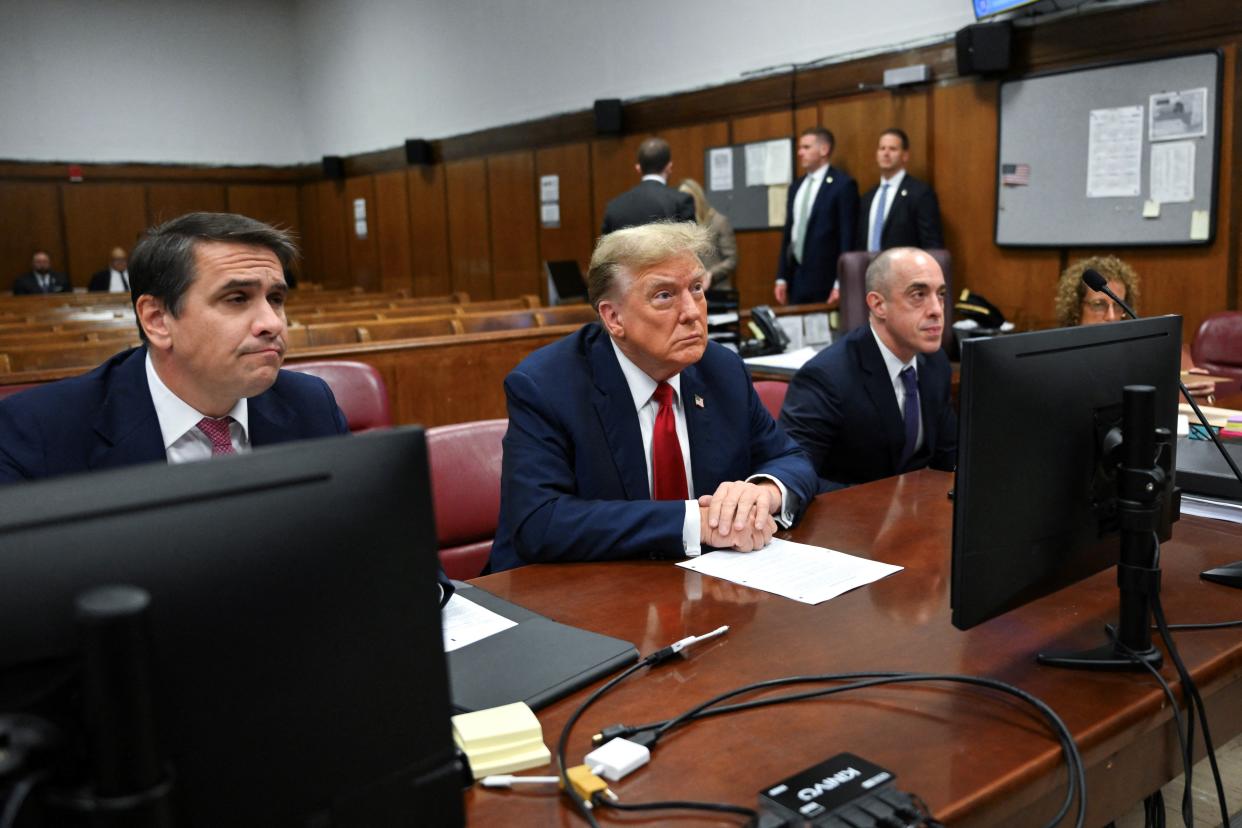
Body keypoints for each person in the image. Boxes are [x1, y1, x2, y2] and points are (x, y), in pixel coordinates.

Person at [488, 221, 818, 572]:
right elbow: (541, 522)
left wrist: (763, 492)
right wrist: (696, 522)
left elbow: (792, 458)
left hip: (705, 590)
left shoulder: (722, 370)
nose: (692, 312)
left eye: (696, 288)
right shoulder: (547, 385)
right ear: (613, 317)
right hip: (569, 597)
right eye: (665, 296)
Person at [0, 212, 349, 484]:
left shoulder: (311, 404)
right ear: (157, 320)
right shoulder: (39, 430)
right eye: (237, 298)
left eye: (275, 298)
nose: (272, 323)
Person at [780, 247, 956, 492]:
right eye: (918, 294)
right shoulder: (826, 377)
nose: (937, 309)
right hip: (847, 520)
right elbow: (794, 476)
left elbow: (948, 462)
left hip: (916, 518)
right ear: (878, 304)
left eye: (941, 294)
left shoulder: (935, 363)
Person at [1055, 255, 1215, 400]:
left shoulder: (1141, 353)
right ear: (1076, 308)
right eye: (1098, 305)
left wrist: (1202, 391)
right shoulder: (1057, 357)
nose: (1111, 316)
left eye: (1118, 306)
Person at [775, 127, 859, 306]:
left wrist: (841, 282)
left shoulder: (842, 185)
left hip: (827, 280)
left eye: (806, 147)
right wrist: (782, 277)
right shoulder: (796, 187)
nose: (800, 153)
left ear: (824, 150)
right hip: (797, 279)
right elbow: (789, 235)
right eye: (800, 148)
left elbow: (848, 238)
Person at [857, 128, 944, 252]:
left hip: (905, 269)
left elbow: (931, 244)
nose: (886, 153)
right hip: (869, 269)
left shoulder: (920, 193)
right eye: (882, 148)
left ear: (905, 156)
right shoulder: (868, 198)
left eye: (892, 149)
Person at [600, 137, 696, 234]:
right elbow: (691, 245)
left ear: (638, 168)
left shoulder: (614, 206)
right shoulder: (681, 202)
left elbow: (605, 247)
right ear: (669, 167)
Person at [677, 178, 737, 290]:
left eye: (688, 197)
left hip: (716, 290)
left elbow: (731, 259)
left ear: (697, 197)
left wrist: (711, 274)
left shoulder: (719, 221)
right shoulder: (681, 226)